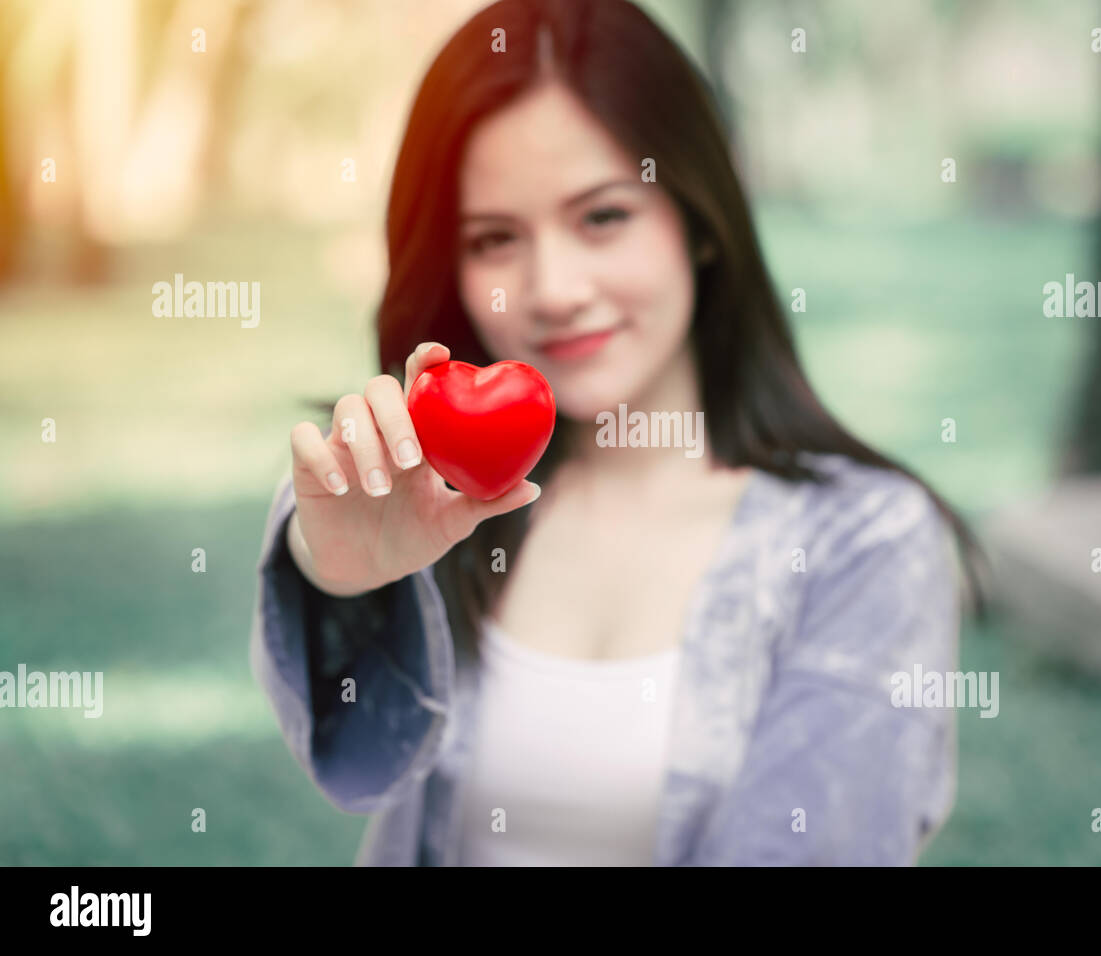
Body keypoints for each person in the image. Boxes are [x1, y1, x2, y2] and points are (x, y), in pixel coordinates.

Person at [250, 0, 982, 866]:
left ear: (699, 222)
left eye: (603, 216)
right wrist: (337, 580)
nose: (553, 288)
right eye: (493, 238)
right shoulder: (437, 503)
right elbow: (361, 755)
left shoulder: (867, 543)